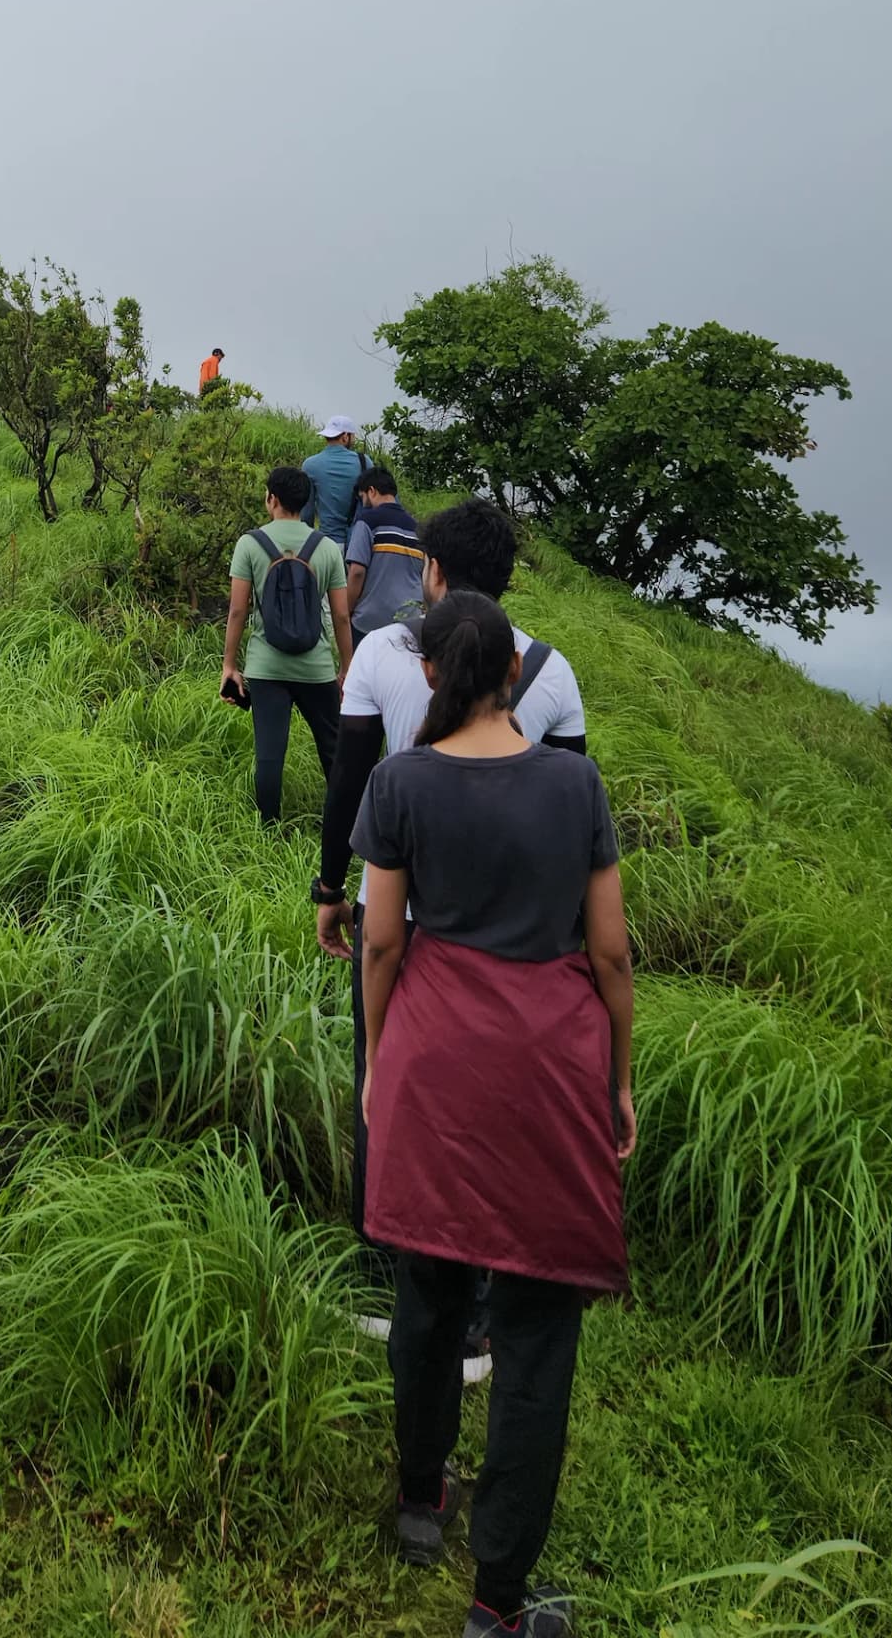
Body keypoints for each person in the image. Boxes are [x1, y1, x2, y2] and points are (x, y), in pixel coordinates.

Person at [352, 589, 634, 1636]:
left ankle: (420, 1501)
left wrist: (380, 1061)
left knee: (426, 1292)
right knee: (534, 1334)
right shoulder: (577, 783)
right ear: (514, 676)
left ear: (429, 675)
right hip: (549, 1069)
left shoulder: (401, 782)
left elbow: (383, 941)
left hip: (434, 1057)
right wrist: (618, 1080)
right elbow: (609, 951)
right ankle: (498, 1603)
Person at [314, 499, 589, 1373]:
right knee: (489, 1118)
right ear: (506, 581)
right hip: (510, 939)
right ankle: (476, 1313)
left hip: (396, 921)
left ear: (430, 570)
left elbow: (349, 781)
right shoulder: (551, 672)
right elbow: (571, 818)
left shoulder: (386, 659)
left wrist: (331, 889)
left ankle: (382, 1278)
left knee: (382, 1087)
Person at [222, 466, 352, 824]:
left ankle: (268, 828)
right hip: (317, 668)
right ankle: (345, 824)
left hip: (266, 667)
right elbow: (341, 617)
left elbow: (237, 610)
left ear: (272, 499)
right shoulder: (325, 548)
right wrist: (346, 667)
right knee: (334, 748)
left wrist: (229, 665)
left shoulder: (250, 544)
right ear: (305, 501)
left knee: (269, 753)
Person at [345, 465, 425, 641]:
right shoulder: (417, 528)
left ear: (371, 491)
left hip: (369, 623)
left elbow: (357, 572)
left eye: (363, 497)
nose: (364, 503)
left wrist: (347, 610)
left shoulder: (367, 521)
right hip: (410, 622)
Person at [301, 416, 368, 544]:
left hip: (327, 541)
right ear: (345, 437)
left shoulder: (310, 465)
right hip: (357, 542)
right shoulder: (364, 462)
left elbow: (306, 513)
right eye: (353, 436)